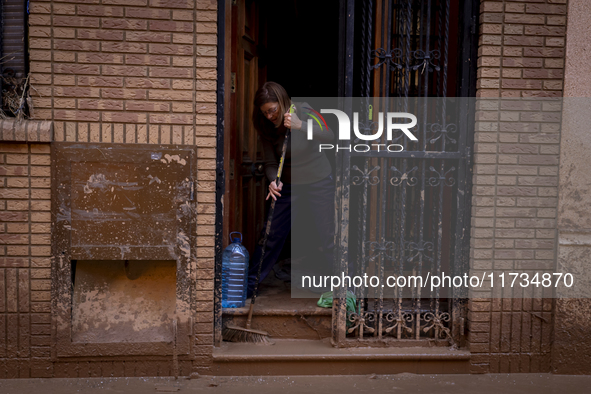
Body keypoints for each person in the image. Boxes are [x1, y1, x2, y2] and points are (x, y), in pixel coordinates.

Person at [247, 82, 335, 297]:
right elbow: (269, 162)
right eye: (265, 112)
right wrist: (272, 181)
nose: (269, 116)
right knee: (271, 234)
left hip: (318, 180)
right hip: (287, 184)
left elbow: (330, 135)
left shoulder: (303, 111)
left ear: (282, 102)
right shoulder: (265, 124)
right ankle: (250, 286)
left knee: (328, 235)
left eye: (272, 110)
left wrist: (299, 125)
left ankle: (345, 288)